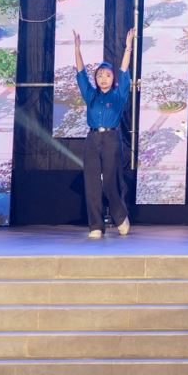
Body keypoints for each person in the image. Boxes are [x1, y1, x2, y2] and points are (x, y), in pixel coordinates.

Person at [73, 27, 136, 240]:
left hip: (111, 139)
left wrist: (128, 48)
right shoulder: (91, 95)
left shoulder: (119, 95)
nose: (103, 78)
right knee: (92, 183)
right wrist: (77, 50)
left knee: (110, 182)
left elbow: (125, 72)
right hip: (92, 139)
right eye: (100, 75)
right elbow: (81, 74)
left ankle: (120, 217)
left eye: (107, 75)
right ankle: (96, 226)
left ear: (113, 79)